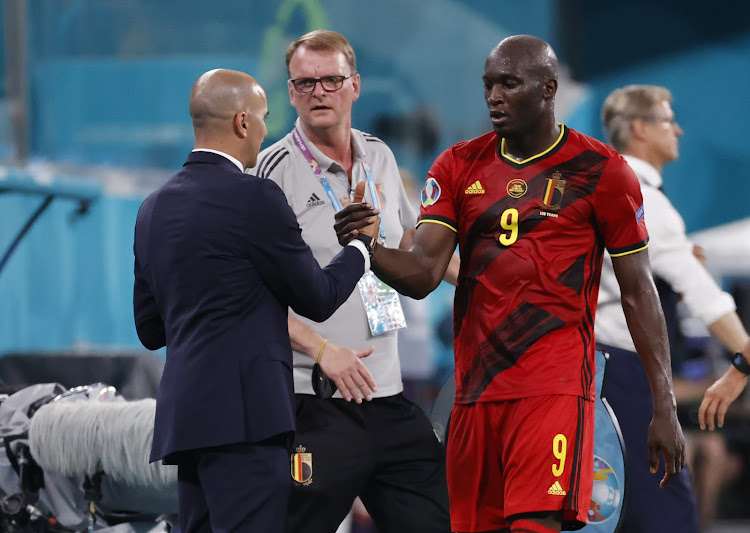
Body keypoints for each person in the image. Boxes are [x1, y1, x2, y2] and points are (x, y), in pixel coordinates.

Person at [334, 35, 686, 533]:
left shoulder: (603, 171)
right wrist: (369, 247)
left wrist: (663, 403)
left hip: (554, 388)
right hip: (475, 394)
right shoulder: (457, 166)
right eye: (488, 85)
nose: (494, 96)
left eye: (509, 83)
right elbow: (423, 275)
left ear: (548, 89)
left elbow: (638, 292)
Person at [133, 68, 377, 533]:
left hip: (187, 422)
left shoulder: (152, 208)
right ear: (243, 122)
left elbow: (150, 329)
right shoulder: (255, 197)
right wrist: (361, 248)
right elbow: (319, 297)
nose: (267, 131)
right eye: (265, 119)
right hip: (247, 423)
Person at [250, 30, 453, 533]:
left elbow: (414, 243)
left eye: (331, 80)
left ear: (355, 86)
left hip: (388, 396)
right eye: (305, 83)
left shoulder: (380, 156)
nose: (319, 92)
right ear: (291, 92)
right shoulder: (271, 173)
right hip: (313, 401)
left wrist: (491, 288)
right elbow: (253, 295)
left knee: (439, 522)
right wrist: (323, 351)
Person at [595, 84, 750, 531]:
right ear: (640, 129)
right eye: (668, 119)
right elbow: (705, 295)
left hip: (602, 370)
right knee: (668, 517)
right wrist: (745, 356)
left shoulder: (608, 189)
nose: (678, 129)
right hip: (625, 374)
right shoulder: (648, 202)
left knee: (617, 513)